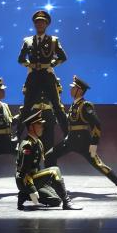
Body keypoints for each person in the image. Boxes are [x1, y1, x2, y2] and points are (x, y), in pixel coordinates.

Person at [44, 76, 117, 194]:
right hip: (71, 140)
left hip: (83, 141)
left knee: (98, 164)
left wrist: (94, 143)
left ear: (80, 90)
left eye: (73, 88)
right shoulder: (74, 105)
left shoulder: (86, 105)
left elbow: (96, 124)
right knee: (49, 156)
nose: (71, 90)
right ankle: (54, 184)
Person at [17, 9, 69, 138]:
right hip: (33, 76)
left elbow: (63, 57)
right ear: (34, 24)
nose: (39, 24)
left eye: (42, 22)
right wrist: (29, 65)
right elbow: (20, 59)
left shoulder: (53, 40)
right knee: (27, 106)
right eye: (37, 22)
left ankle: (68, 134)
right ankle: (17, 135)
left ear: (46, 24)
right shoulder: (28, 41)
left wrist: (52, 65)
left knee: (57, 106)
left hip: (47, 75)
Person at [15, 109, 80, 211]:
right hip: (25, 181)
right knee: (54, 171)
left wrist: (44, 181)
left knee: (56, 200)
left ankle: (23, 195)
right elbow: (24, 172)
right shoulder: (28, 145)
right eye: (39, 124)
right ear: (31, 127)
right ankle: (67, 202)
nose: (42, 127)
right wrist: (32, 189)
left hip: (33, 178)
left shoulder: (37, 142)